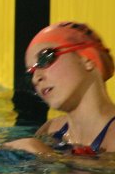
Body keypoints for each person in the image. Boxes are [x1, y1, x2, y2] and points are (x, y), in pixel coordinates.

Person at [6, 21, 115, 156]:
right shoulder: (51, 129)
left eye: (45, 58)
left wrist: (46, 156)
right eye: (31, 73)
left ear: (87, 59)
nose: (35, 78)